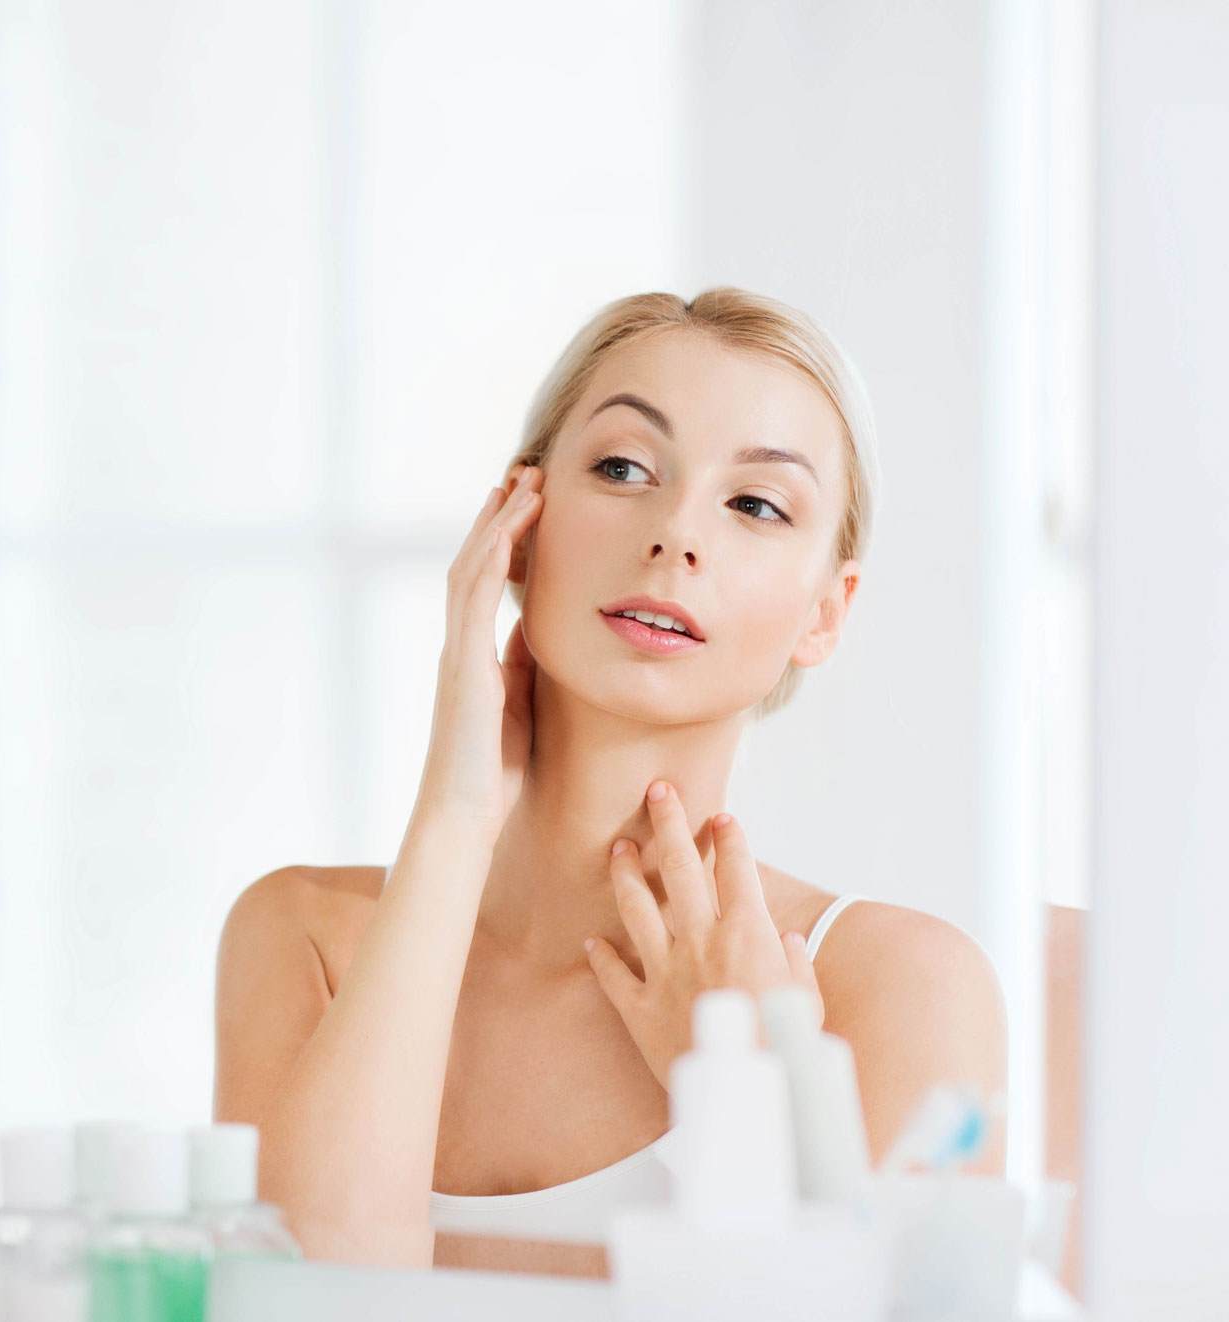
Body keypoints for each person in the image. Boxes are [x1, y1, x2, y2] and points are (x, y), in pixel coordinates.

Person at [213, 289, 1007, 1273]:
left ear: (824, 611)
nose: (677, 531)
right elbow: (313, 1298)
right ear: (519, 519)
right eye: (623, 466)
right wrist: (452, 820)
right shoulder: (301, 937)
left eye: (755, 504)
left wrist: (741, 1093)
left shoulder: (885, 986)